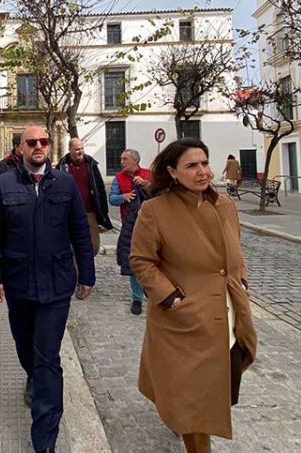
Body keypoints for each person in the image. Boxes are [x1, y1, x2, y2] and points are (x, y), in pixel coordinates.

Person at [130, 138, 257, 453]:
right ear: (172, 172)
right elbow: (141, 261)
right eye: (191, 166)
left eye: (204, 163)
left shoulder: (224, 205)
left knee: (215, 388)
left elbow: (233, 252)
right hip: (184, 320)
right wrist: (170, 297)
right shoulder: (155, 210)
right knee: (197, 407)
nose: (202, 172)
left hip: (226, 314)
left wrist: (241, 281)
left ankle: (178, 413)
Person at [0, 125, 96, 453]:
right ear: (20, 148)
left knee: (48, 357)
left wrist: (86, 275)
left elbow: (79, 230)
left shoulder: (64, 183)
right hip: (18, 284)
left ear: (48, 146)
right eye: (31, 142)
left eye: (43, 141)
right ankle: (31, 375)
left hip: (57, 285)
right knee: (24, 347)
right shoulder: (4, 184)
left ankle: (44, 436)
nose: (38, 146)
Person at [109, 149, 152, 315]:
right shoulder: (118, 178)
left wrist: (147, 184)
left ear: (135, 161)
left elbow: (162, 193)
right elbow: (112, 199)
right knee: (134, 261)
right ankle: (137, 298)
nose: (121, 162)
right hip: (130, 226)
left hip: (152, 225)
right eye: (121, 159)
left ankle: (151, 288)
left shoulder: (149, 174)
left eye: (125, 159)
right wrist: (123, 197)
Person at [55, 137, 113, 256]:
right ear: (69, 149)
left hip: (89, 212)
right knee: (72, 248)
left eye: (82, 148)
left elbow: (100, 188)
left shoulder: (90, 164)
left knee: (94, 246)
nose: (80, 151)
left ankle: (84, 265)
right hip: (70, 214)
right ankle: (77, 272)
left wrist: (103, 212)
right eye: (77, 149)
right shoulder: (62, 166)